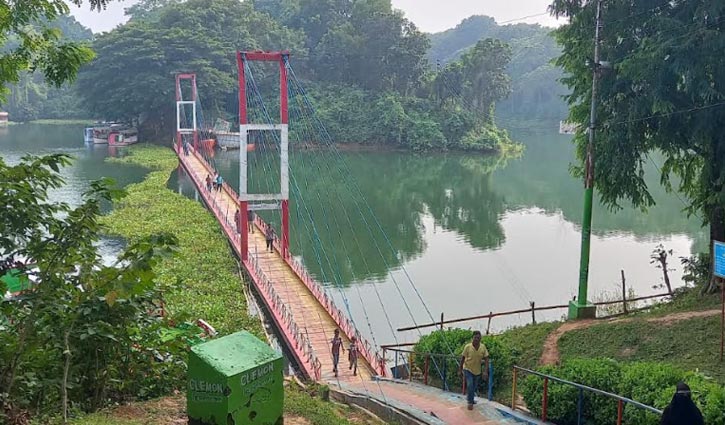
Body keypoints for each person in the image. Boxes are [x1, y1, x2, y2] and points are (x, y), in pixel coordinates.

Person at [459, 330, 489, 410]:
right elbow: (462, 358)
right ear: (472, 338)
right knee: (470, 385)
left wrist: (485, 371)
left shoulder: (483, 347)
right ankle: (470, 402)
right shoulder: (467, 347)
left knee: (474, 387)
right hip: (467, 369)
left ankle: (471, 398)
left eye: (478, 338)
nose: (477, 339)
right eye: (475, 338)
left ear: (480, 339)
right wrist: (460, 369)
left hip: (477, 371)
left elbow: (486, 359)